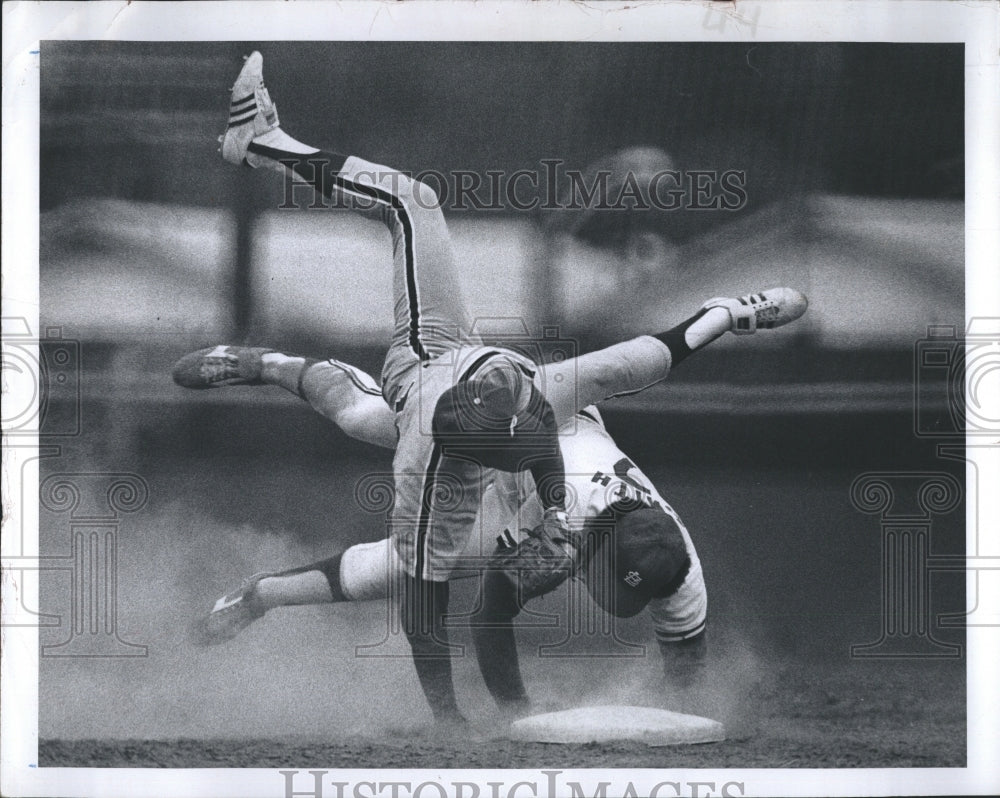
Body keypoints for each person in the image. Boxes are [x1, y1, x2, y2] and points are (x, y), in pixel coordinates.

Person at [195, 50, 807, 724]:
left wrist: (730, 315)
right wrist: (510, 721)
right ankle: (268, 228)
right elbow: (484, 618)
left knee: (388, 524)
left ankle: (259, 587)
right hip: (454, 392)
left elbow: (684, 673)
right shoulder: (519, 436)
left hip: (512, 450)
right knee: (375, 427)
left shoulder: (674, 562)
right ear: (587, 548)